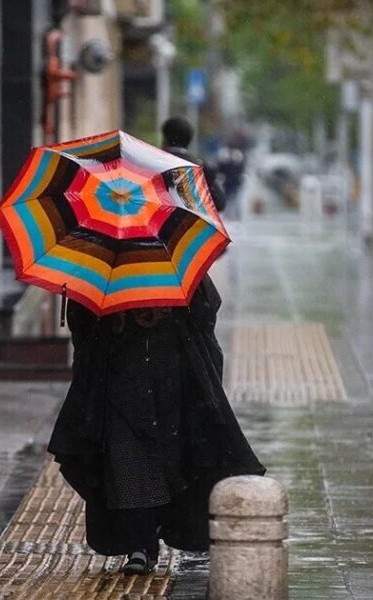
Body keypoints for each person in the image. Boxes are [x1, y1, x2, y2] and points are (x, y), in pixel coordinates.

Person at [46, 117, 266, 575]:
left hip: (167, 374)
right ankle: (140, 545)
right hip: (127, 378)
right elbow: (86, 325)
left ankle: (158, 536)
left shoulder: (165, 255)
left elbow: (204, 311)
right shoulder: (103, 254)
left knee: (170, 455)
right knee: (130, 462)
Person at [159, 117, 228, 212]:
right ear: (189, 141)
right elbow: (219, 203)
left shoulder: (153, 163)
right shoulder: (199, 168)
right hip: (186, 223)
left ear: (165, 138)